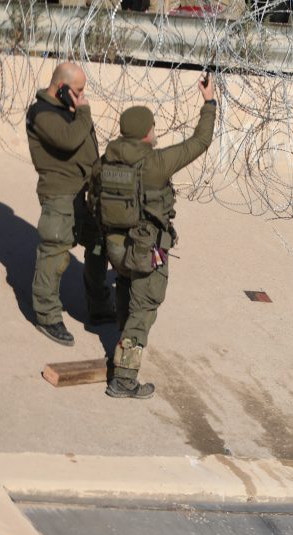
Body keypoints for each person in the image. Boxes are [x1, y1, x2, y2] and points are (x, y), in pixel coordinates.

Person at [93, 74, 217, 398]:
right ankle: (124, 379)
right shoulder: (156, 163)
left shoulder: (106, 161)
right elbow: (200, 142)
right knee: (143, 309)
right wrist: (209, 102)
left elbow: (92, 196)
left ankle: (121, 345)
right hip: (146, 250)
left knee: (124, 291)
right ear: (146, 132)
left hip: (114, 247)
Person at [26, 61, 114, 346]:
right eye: (78, 91)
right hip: (60, 194)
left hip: (85, 193)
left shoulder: (69, 110)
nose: (82, 96)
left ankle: (98, 305)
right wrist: (84, 112)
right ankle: (48, 315)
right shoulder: (41, 113)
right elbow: (69, 140)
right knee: (55, 253)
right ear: (61, 87)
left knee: (99, 245)